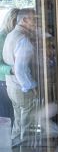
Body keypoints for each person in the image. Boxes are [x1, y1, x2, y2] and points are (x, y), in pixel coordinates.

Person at [2, 8, 39, 143]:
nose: (36, 22)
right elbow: (20, 69)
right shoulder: (22, 39)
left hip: (11, 86)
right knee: (26, 125)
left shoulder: (11, 35)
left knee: (18, 122)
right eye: (34, 19)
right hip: (21, 87)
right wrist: (31, 86)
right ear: (24, 20)